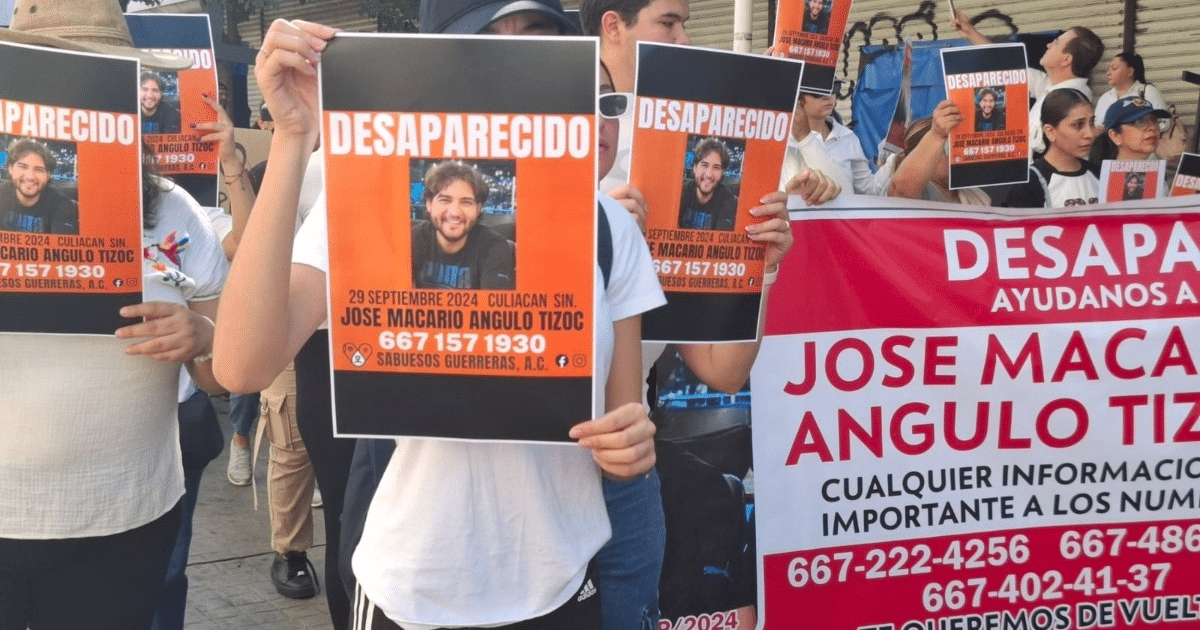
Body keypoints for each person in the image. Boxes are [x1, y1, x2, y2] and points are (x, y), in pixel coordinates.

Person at [214, 14, 667, 630]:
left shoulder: (611, 233)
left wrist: (632, 443)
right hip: (413, 591)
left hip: (560, 587)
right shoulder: (365, 202)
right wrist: (295, 136)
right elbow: (241, 363)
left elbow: (622, 424)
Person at [0, 3, 221, 627]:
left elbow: (226, 371)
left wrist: (202, 336)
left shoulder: (177, 212)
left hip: (121, 515)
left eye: (92, 72)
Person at [951, 12, 1103, 157]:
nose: (1049, 45)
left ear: (1066, 59)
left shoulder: (1069, 102)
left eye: (1056, 43)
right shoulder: (1053, 87)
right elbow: (1004, 65)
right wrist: (970, 32)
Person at [412, 160, 515, 290]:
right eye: (445, 200)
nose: (455, 212)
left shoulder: (495, 248)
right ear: (429, 204)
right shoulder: (411, 240)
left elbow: (495, 308)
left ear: (478, 209)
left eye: (466, 202)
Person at [1005, 89, 1099, 209]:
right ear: (1050, 132)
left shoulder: (1099, 174)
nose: (1089, 134)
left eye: (1091, 122)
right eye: (1078, 125)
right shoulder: (1028, 184)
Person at [888, 101, 991, 206]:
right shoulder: (923, 190)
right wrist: (937, 134)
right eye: (947, 148)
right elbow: (902, 191)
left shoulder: (979, 197)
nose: (956, 154)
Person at [785, 90, 881, 195]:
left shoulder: (847, 137)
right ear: (798, 98)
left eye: (834, 87)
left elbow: (869, 190)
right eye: (819, 92)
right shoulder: (785, 142)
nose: (828, 96)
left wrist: (892, 165)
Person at [0, 137, 78, 234]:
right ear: (11, 169)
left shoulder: (62, 206)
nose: (30, 177)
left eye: (39, 170)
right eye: (23, 167)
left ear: (48, 174)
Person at [1093, 52, 1167, 133]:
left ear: (1130, 72)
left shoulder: (1147, 91)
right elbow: (1096, 124)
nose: (1108, 73)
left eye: (1114, 68)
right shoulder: (1105, 98)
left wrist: (1136, 130)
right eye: (1108, 69)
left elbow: (1165, 122)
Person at [678, 137, 738, 230]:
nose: (709, 175)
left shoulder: (729, 201)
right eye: (704, 165)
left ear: (722, 172)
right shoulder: (680, 192)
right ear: (695, 168)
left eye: (716, 167)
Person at [1093, 95, 1169, 161]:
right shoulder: (1103, 176)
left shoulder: (1157, 171)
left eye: (1154, 120)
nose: (1153, 127)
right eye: (1139, 122)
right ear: (1115, 135)